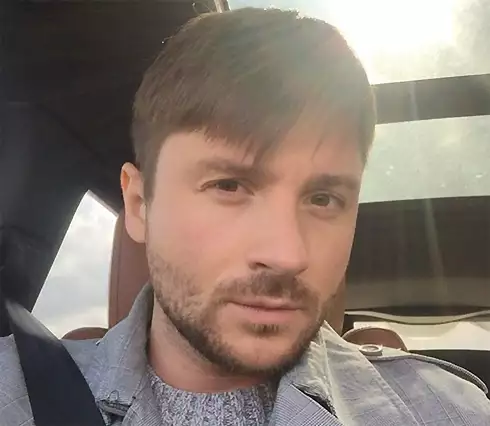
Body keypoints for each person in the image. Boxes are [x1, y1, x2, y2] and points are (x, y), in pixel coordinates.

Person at [1, 7, 489, 426]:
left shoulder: (449, 411)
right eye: (229, 186)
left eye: (323, 199)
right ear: (139, 205)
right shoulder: (17, 396)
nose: (288, 254)